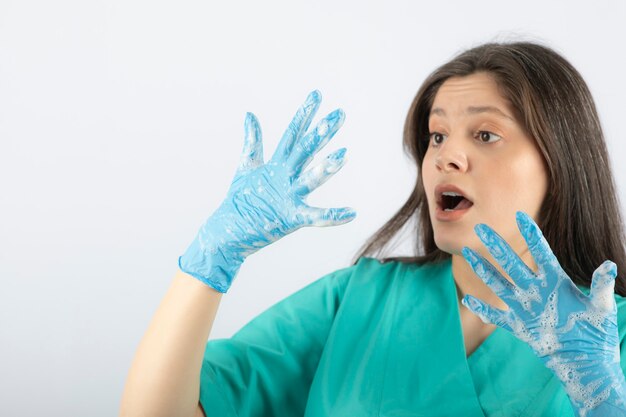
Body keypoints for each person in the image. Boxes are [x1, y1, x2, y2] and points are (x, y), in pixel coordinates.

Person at [119, 41, 626, 417]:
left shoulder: (607, 339)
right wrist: (211, 260)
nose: (446, 155)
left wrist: (604, 399)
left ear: (560, 164)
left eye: (486, 133)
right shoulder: (357, 301)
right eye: (437, 135)